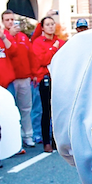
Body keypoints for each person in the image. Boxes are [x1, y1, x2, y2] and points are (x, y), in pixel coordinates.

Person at [2, 10, 35, 148]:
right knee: (11, 110)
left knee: (26, 108)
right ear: (3, 22)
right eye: (7, 20)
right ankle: (14, 138)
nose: (10, 22)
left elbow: (31, 55)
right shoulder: (2, 37)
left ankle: (28, 135)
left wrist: (33, 73)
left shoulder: (23, 37)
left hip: (24, 76)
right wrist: (10, 36)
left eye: (12, 19)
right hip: (10, 78)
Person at [32, 16, 65, 153]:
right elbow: (43, 59)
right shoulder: (38, 42)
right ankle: (46, 141)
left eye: (52, 24)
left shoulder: (61, 42)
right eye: (48, 24)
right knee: (46, 111)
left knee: (58, 110)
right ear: (43, 27)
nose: (51, 26)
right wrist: (53, 49)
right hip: (45, 79)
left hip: (59, 79)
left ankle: (57, 139)